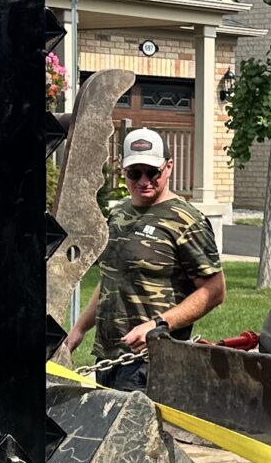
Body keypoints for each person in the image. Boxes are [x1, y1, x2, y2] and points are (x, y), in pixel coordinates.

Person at [55, 127, 225, 369]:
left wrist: (159, 325)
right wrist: (79, 330)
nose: (144, 181)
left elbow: (215, 290)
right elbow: (112, 277)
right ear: (123, 169)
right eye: (135, 173)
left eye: (152, 172)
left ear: (169, 167)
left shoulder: (187, 220)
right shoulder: (118, 214)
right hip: (108, 357)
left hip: (155, 362)